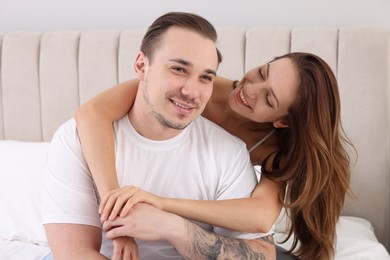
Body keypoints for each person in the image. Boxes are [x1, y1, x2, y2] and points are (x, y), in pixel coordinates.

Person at [74, 47, 354, 259]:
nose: (250, 89)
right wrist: (116, 214)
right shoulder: (196, 87)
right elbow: (91, 113)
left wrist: (162, 204)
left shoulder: (274, 146)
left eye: (269, 98)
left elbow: (260, 216)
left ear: (282, 121)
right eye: (262, 72)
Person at [42, 11, 278, 260]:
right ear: (141, 66)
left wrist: (174, 227)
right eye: (178, 69)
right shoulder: (76, 138)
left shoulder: (228, 151)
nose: (191, 91)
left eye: (206, 77)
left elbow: (262, 253)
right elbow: (73, 253)